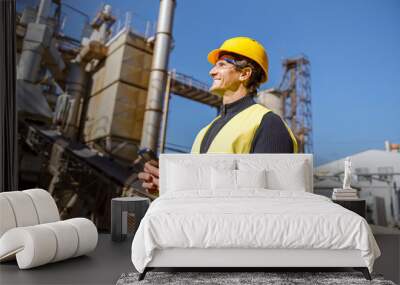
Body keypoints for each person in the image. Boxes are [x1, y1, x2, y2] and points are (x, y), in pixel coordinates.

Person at [138, 37, 298, 194]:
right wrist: (168, 186)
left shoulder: (268, 124)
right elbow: (197, 189)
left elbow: (270, 199)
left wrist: (180, 184)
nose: (211, 72)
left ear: (244, 74)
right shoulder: (204, 131)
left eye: (221, 65)